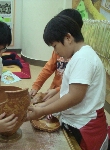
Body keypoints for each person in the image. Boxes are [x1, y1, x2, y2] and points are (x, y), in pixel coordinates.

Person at [27, 15, 108, 150]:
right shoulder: (78, 56)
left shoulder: (83, 58)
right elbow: (66, 92)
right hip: (76, 120)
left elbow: (74, 97)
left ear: (68, 38)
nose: (56, 52)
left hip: (84, 126)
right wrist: (41, 108)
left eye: (55, 46)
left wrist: (43, 109)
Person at [30, 9, 83, 102]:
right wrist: (36, 86)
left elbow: (74, 88)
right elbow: (48, 68)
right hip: (54, 91)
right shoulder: (58, 51)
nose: (55, 51)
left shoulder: (80, 57)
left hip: (66, 93)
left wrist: (57, 90)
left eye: (55, 46)